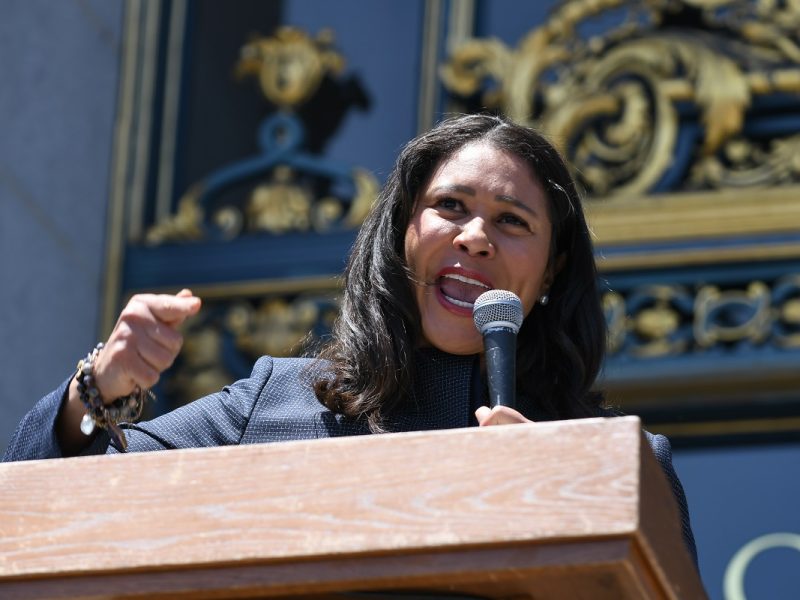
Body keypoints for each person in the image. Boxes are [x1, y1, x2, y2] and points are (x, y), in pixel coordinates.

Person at [3, 113, 697, 564]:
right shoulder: (273, 403)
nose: (475, 236)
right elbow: (40, 520)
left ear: (552, 271)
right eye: (449, 206)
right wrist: (99, 388)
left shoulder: (623, 465)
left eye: (512, 221)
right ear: (402, 236)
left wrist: (557, 502)